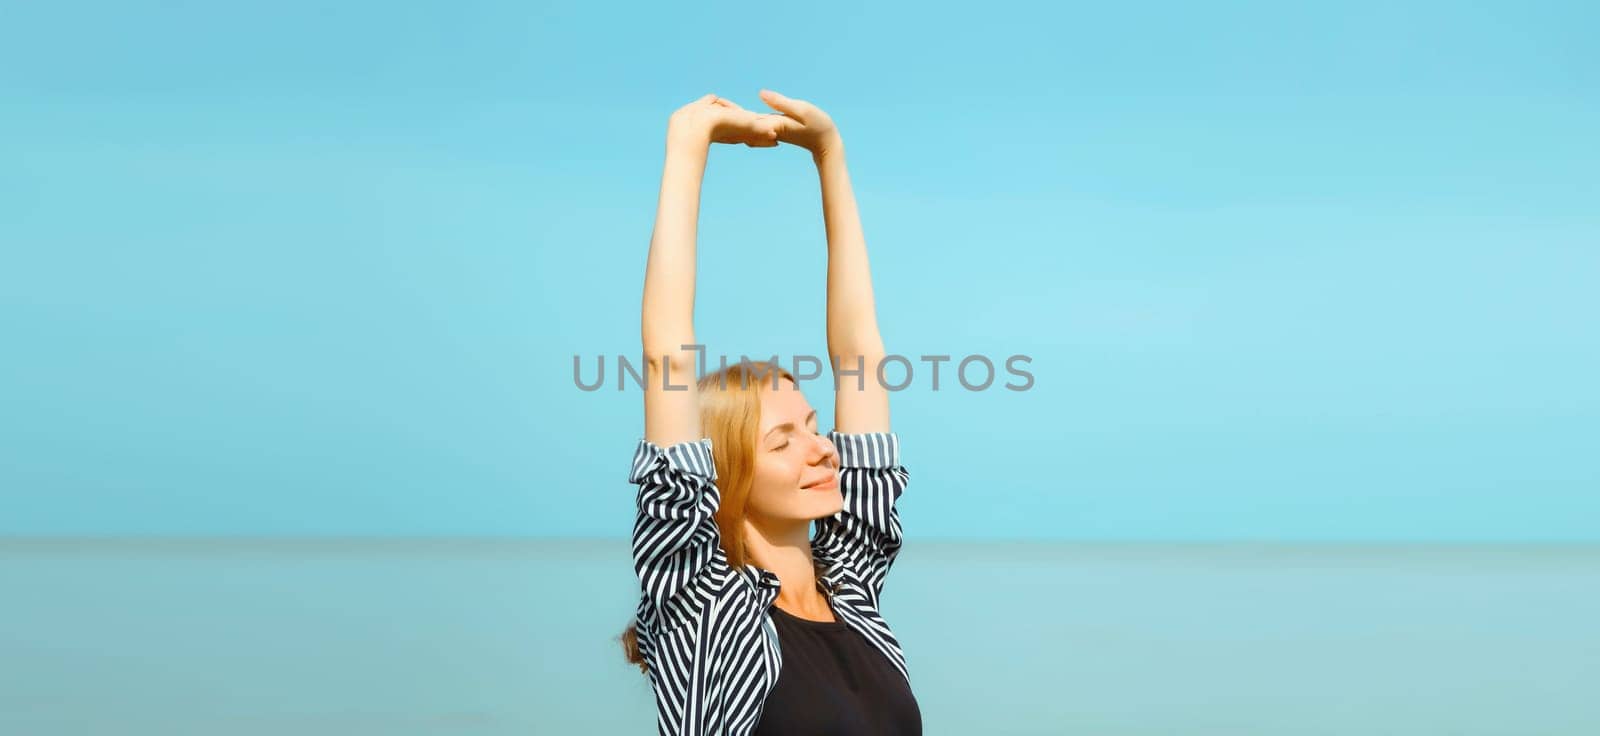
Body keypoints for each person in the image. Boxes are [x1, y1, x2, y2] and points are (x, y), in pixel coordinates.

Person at [616, 90, 922, 736]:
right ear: (723, 473)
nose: (823, 449)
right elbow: (668, 356)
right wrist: (688, 143)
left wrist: (829, 156)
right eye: (783, 442)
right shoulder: (702, 607)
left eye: (813, 428)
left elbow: (860, 354)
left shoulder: (851, 588)